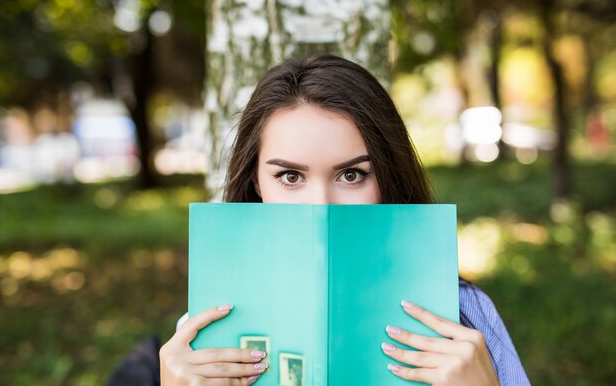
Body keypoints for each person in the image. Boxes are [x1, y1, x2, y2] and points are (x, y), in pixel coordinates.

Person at [158, 54, 531, 386]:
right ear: (256, 182)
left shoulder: (466, 315)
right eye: (290, 177)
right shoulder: (205, 331)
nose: (321, 206)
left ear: (388, 177)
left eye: (351, 175)